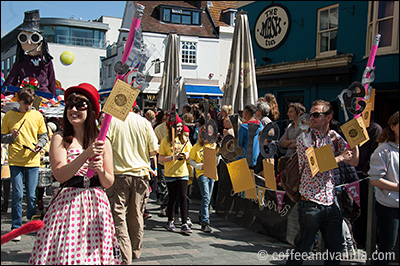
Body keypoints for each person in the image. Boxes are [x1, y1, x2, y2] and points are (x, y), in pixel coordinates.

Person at [28, 83, 122, 264]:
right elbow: (61, 175)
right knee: (68, 256)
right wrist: (86, 155)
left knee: (92, 257)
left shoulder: (102, 142)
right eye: (70, 104)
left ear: (91, 110)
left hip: (96, 205)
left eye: (81, 105)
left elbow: (109, 181)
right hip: (67, 205)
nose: (74, 109)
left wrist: (100, 168)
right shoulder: (60, 138)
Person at [286, 99, 359, 265]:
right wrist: (340, 158)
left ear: (328, 117)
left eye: (317, 115)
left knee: (335, 248)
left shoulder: (334, 137)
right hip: (310, 201)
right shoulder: (305, 138)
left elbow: (354, 161)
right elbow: (315, 167)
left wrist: (354, 140)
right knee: (304, 247)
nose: (312, 118)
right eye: (311, 114)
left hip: (330, 201)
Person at [106, 102, 159, 264]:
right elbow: (154, 150)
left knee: (118, 216)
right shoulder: (143, 122)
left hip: (119, 175)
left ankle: (124, 254)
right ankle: (135, 251)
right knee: (137, 215)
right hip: (141, 175)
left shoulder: (111, 121)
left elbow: (104, 147)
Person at [1, 87, 48, 241]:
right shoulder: (9, 116)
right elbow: (2, 137)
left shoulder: (37, 115)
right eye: (25, 104)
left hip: (33, 160)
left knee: (32, 195)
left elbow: (43, 135)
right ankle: (16, 226)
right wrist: (11, 136)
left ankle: (32, 222)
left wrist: (40, 145)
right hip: (15, 160)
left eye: (30, 103)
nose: (28, 107)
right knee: (17, 194)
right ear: (18, 101)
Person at [369, 111, 399, 265]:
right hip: (389, 205)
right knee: (387, 247)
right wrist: (397, 187)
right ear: (393, 126)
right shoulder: (384, 150)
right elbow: (375, 179)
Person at [3, 10, 56, 96]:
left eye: (34, 38)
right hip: (25, 96)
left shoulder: (46, 61)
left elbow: (51, 81)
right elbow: (11, 80)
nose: (29, 42)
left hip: (43, 96)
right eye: (23, 38)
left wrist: (54, 97)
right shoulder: (20, 62)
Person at [158, 114, 193, 234]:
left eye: (180, 126)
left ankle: (184, 222)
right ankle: (170, 220)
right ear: (171, 127)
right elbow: (160, 158)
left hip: (183, 172)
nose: (179, 128)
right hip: (170, 173)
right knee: (172, 197)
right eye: (177, 126)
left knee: (183, 197)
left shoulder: (184, 139)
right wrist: (173, 157)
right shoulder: (165, 141)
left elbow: (190, 152)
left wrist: (186, 156)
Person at [353, 119, 383, 248]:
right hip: (355, 173)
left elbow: (375, 151)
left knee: (367, 207)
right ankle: (358, 238)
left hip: (365, 175)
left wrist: (368, 169)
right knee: (357, 207)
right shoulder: (353, 126)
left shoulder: (374, 128)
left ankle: (368, 240)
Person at [189, 126, 220, 233]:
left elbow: (217, 160)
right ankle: (205, 221)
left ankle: (202, 213)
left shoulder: (213, 146)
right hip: (202, 173)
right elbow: (191, 161)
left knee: (208, 197)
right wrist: (199, 166)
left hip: (212, 172)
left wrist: (216, 159)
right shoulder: (196, 147)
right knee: (206, 195)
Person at [238, 104, 263, 169]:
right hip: (256, 157)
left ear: (246, 113)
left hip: (244, 159)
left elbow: (239, 145)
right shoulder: (260, 125)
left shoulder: (243, 128)